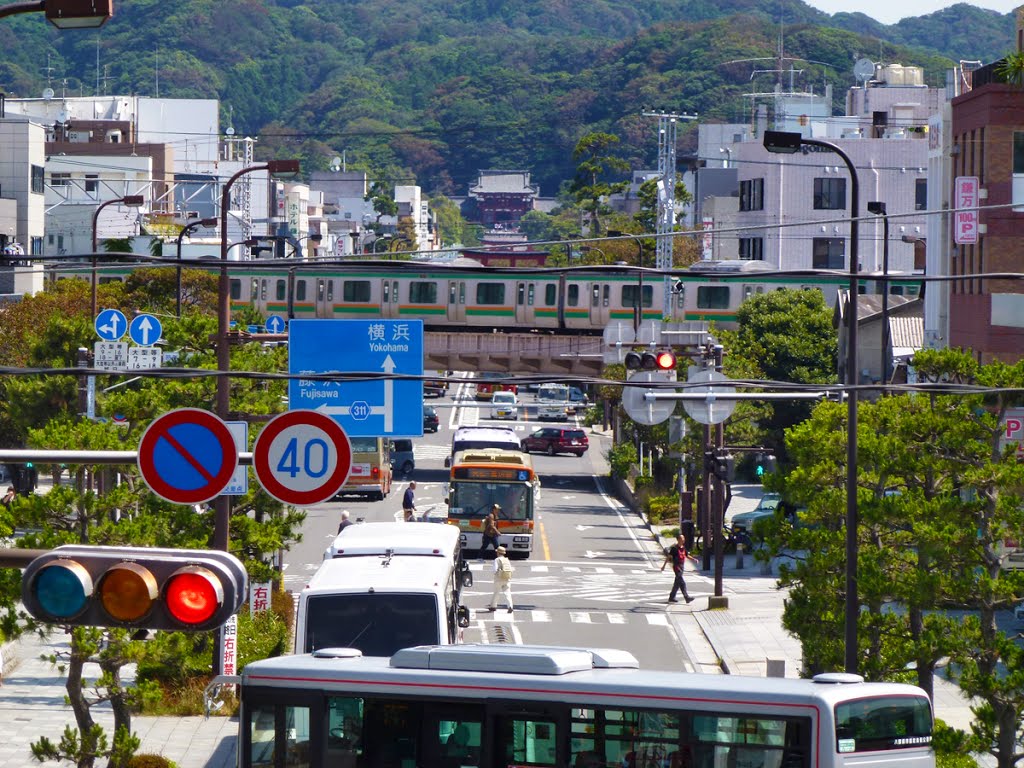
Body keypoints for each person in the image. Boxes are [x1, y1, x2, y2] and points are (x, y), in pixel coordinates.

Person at [661, 534, 695, 604]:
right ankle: (687, 597)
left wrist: (694, 559)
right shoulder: (674, 549)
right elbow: (668, 557)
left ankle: (671, 597)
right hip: (677, 567)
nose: (683, 540)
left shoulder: (683, 547)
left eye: (684, 538)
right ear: (678, 540)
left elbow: (687, 555)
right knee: (682, 582)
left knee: (677, 583)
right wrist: (663, 566)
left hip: (682, 567)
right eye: (682, 538)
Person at [488, 545, 515, 613]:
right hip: (507, 578)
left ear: (498, 553)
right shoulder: (506, 560)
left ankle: (493, 606)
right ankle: (510, 606)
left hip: (499, 578)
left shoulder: (497, 560)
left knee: (496, 592)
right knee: (507, 593)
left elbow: (494, 569)